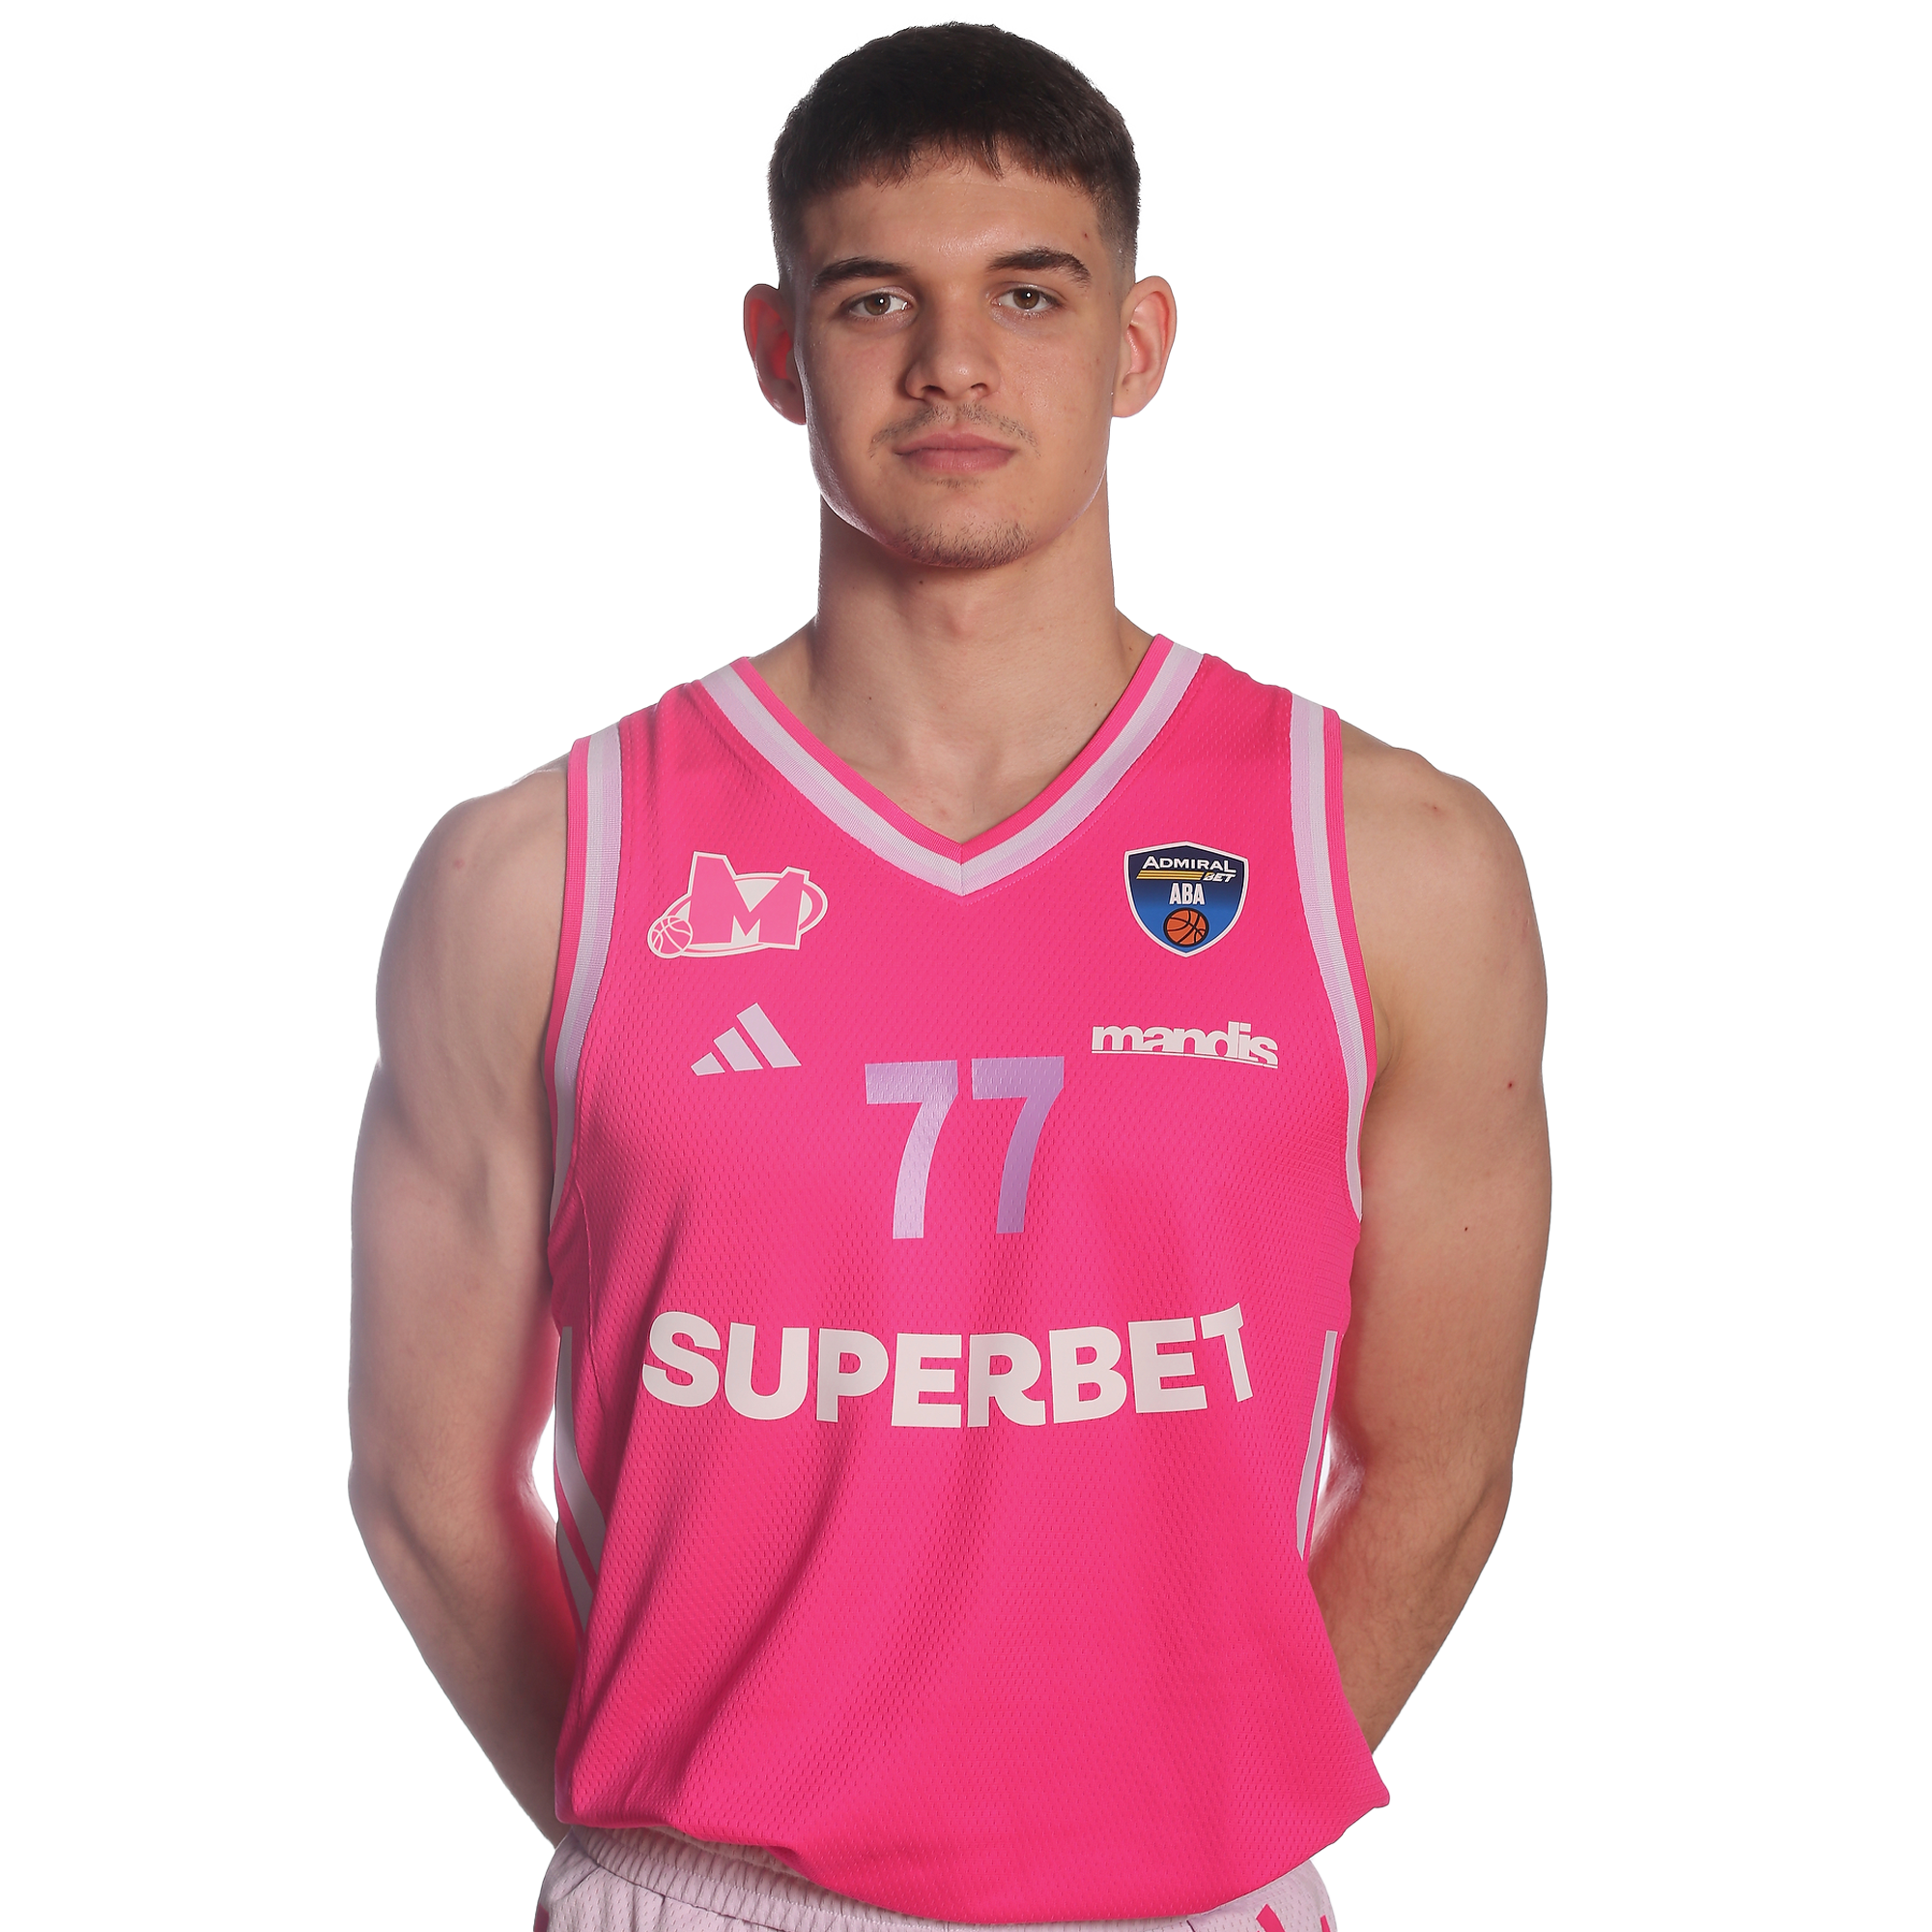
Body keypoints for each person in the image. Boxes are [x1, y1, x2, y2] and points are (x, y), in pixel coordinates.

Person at [350, 22, 1548, 1932]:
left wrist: (1204, 1827)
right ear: (779, 351)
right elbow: (423, 1483)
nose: (953, 363)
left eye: (1030, 292)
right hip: (702, 1894)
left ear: (1136, 342)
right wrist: (658, 1840)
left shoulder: (1390, 862)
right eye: (874, 299)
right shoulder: (537, 875)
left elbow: (1441, 1460)